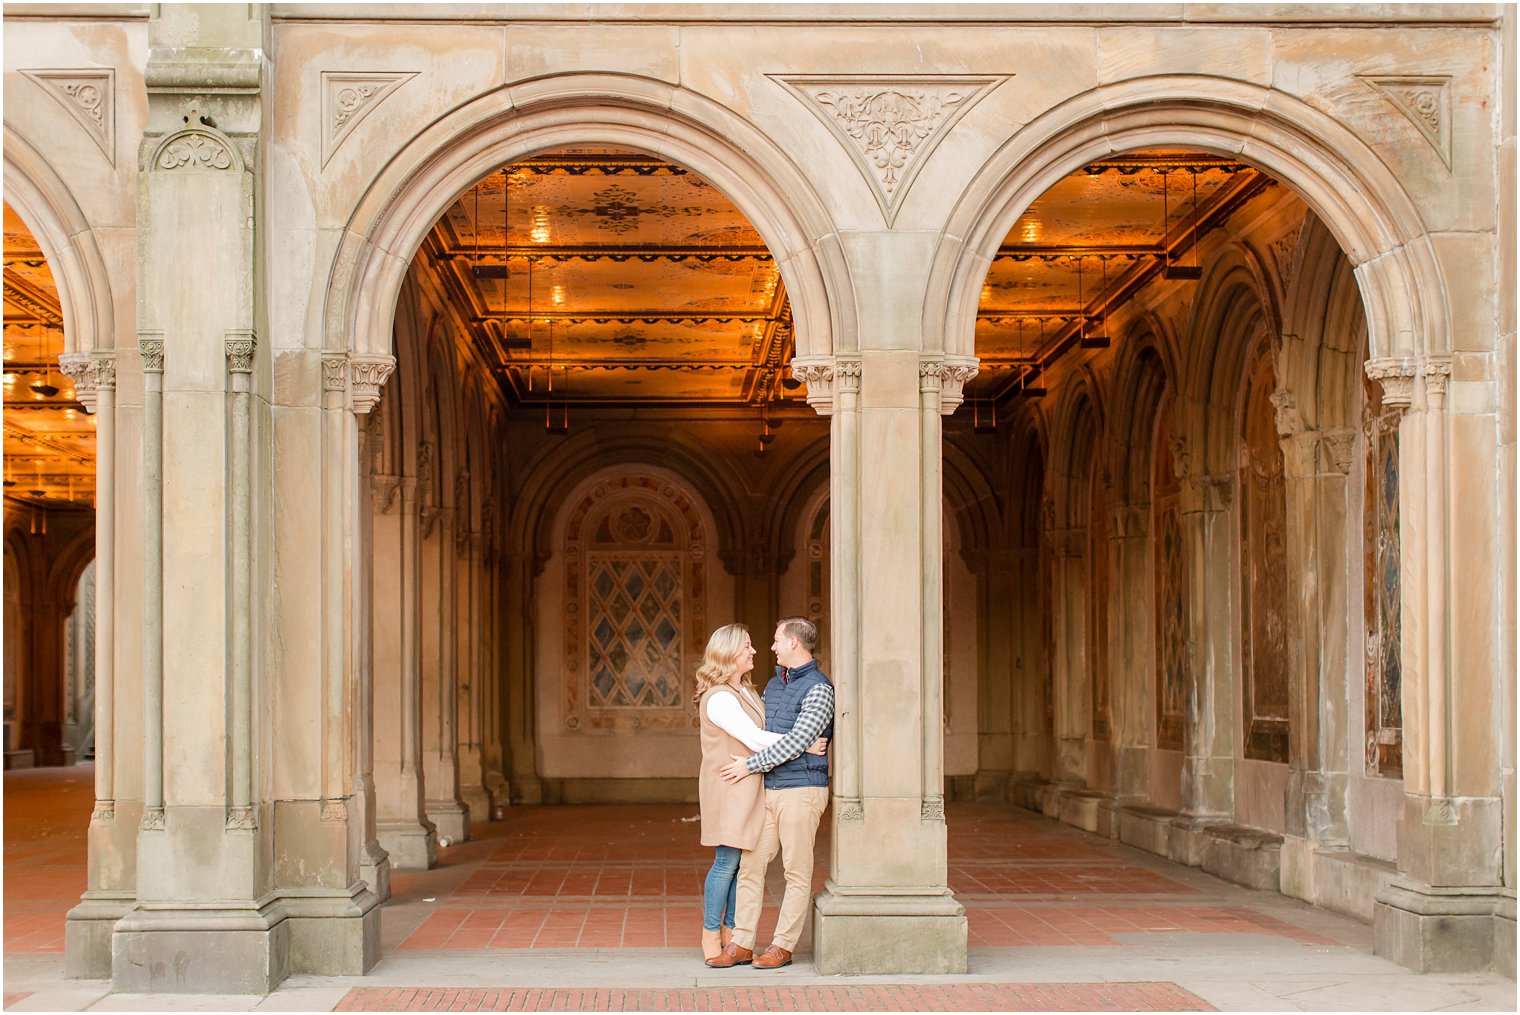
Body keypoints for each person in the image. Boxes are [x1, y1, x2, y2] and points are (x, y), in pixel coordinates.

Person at [693, 624, 827, 963]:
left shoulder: (812, 688)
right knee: (737, 863)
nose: (763, 649)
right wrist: (801, 746)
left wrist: (755, 764)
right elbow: (757, 737)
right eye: (749, 646)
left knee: (791, 870)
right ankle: (729, 938)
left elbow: (764, 737)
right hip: (742, 783)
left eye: (773, 640)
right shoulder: (755, 689)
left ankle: (780, 945)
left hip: (792, 786)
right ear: (730, 654)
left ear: (793, 642)